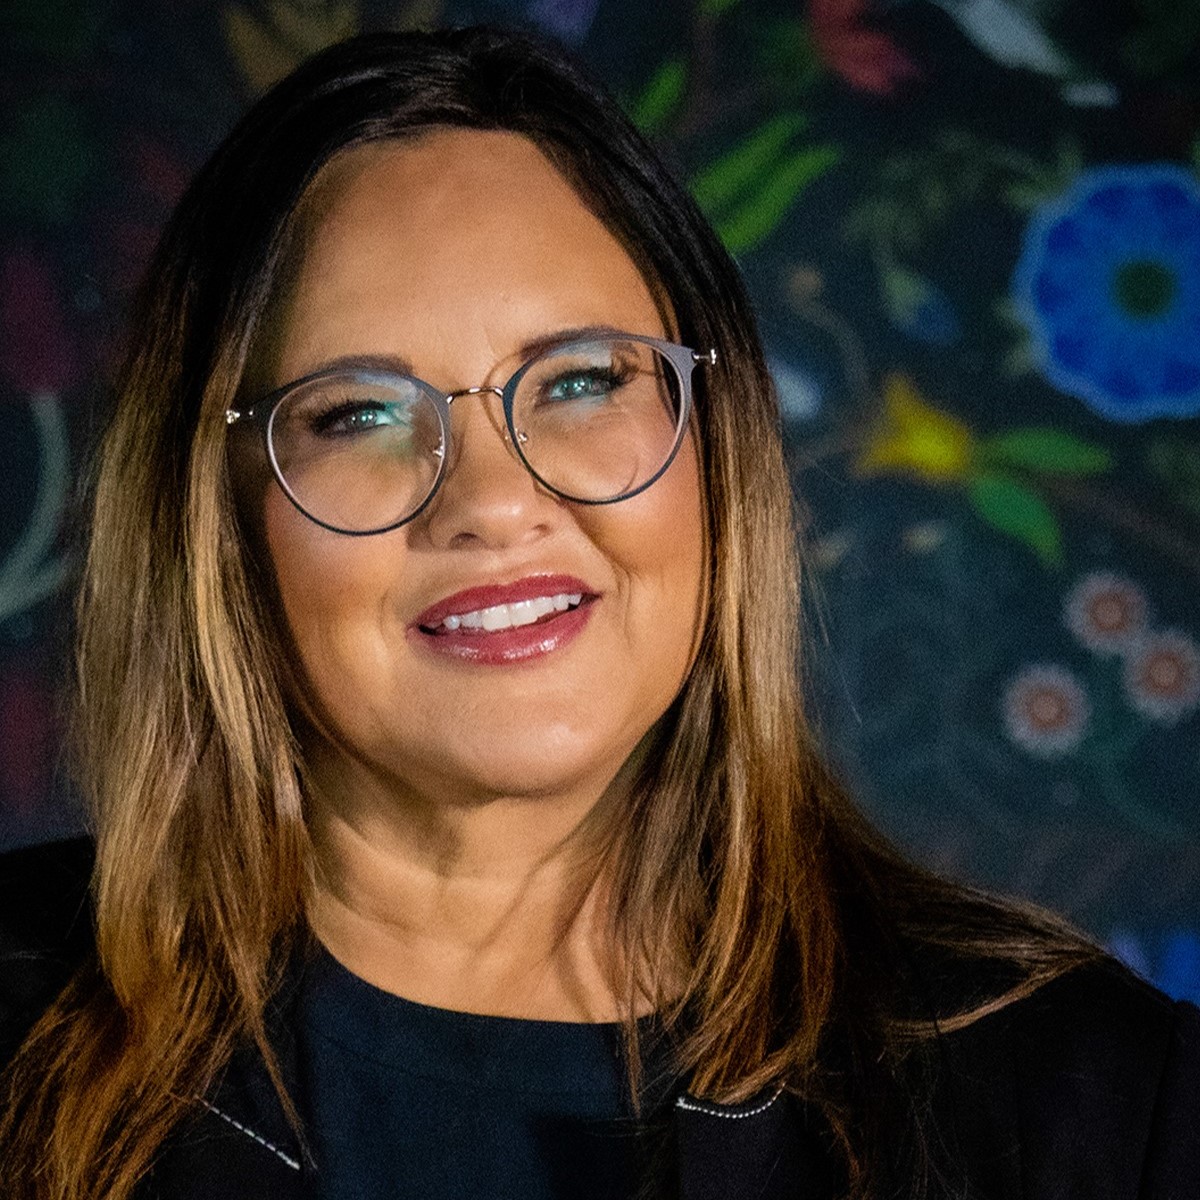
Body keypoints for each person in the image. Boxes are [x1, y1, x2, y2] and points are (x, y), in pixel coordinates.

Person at [0, 25, 1196, 1200]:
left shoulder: (1095, 1107)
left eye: (581, 381)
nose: (493, 503)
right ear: (217, 508)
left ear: (716, 441)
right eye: (358, 413)